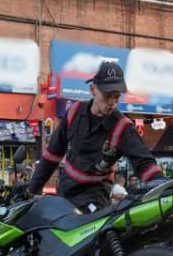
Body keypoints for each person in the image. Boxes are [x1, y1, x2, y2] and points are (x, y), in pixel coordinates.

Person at [27, 61, 163, 212]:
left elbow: (145, 163)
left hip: (95, 201)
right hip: (65, 195)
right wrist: (31, 191)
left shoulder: (122, 127)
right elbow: (52, 155)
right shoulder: (74, 112)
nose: (112, 102)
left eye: (116, 96)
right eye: (107, 96)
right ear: (93, 89)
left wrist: (162, 186)